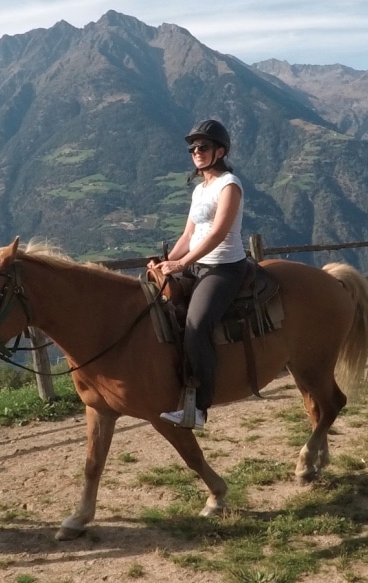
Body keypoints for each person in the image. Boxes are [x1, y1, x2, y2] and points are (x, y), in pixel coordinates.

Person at [149, 119, 247, 430]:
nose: (196, 152)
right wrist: (166, 261)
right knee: (158, 308)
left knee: (196, 324)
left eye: (203, 147)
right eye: (193, 148)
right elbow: (188, 234)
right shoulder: (200, 189)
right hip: (196, 264)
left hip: (224, 267)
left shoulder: (229, 185)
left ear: (220, 151)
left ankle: (199, 408)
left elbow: (218, 233)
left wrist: (181, 264)